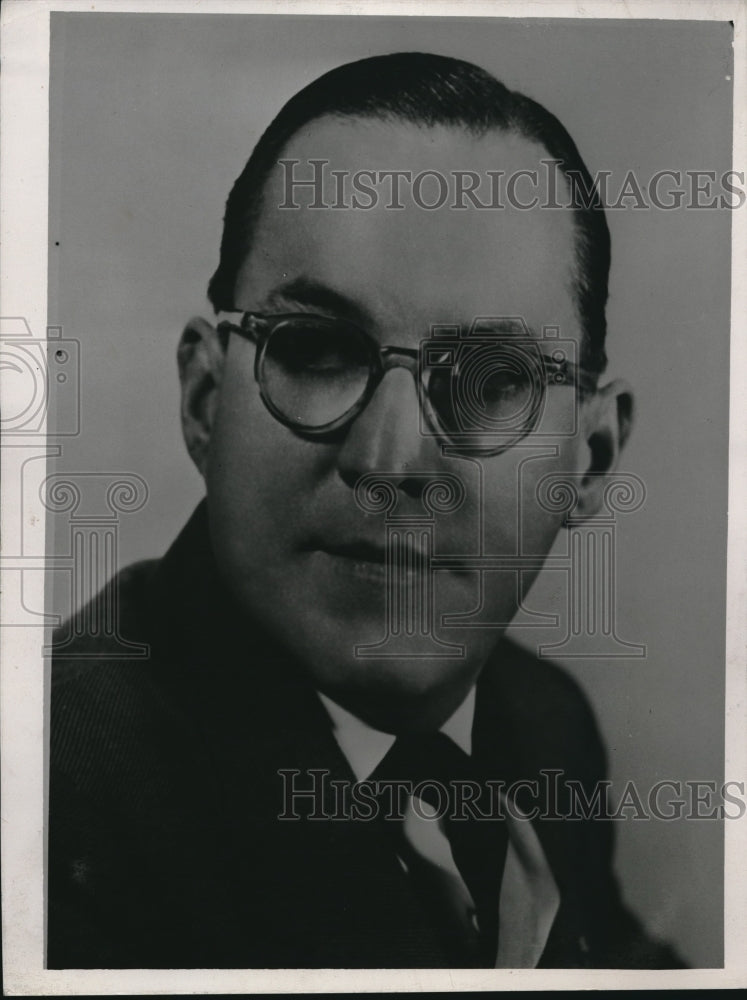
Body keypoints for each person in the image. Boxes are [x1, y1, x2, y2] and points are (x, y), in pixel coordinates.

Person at [48, 52, 683, 969]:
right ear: (203, 401)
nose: (386, 461)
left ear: (589, 461)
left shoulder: (540, 722)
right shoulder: (56, 794)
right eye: (313, 349)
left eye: (491, 379)